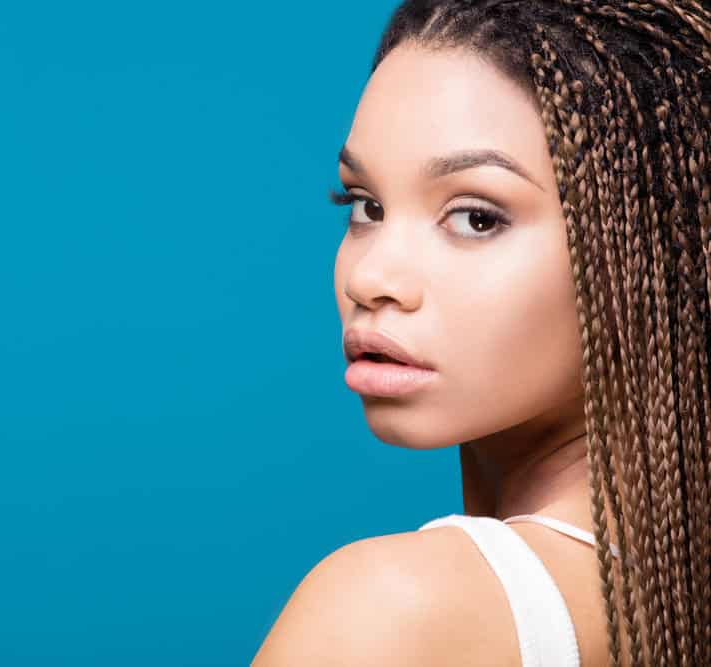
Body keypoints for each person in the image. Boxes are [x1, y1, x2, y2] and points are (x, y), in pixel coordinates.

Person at [250, 1, 711, 665]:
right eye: (366, 206)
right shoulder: (666, 602)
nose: (371, 276)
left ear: (662, 253)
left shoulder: (394, 609)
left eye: (477, 218)